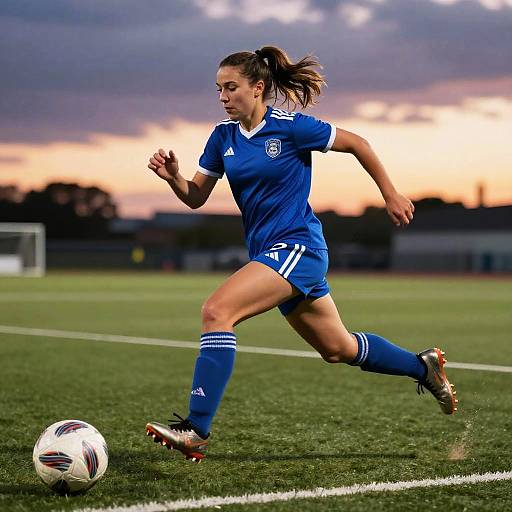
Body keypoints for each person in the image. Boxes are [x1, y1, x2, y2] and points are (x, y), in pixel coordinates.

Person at [145, 46, 458, 462]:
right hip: (272, 256)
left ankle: (196, 430)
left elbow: (358, 143)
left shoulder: (291, 127)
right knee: (339, 349)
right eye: (218, 89)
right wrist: (174, 179)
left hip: (298, 247)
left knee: (217, 311)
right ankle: (424, 367)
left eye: (231, 87)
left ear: (258, 88)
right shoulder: (222, 137)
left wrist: (390, 192)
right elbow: (196, 197)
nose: (222, 96)